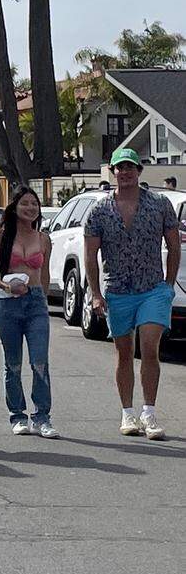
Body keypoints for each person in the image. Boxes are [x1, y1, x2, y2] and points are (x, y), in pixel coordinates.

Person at [86, 148, 180, 440]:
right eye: (119, 168)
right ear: (112, 172)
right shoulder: (100, 210)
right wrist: (96, 293)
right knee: (124, 352)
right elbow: (91, 254)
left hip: (152, 288)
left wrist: (168, 283)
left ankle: (149, 413)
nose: (124, 173)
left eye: (129, 167)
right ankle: (128, 413)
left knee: (150, 348)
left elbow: (174, 245)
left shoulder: (160, 204)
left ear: (139, 171)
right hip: (118, 290)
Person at [0, 187, 58, 438]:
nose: (30, 208)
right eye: (25, 203)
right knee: (12, 363)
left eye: (34, 204)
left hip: (35, 303)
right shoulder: (0, 235)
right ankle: (17, 415)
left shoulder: (43, 238)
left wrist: (43, 299)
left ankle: (42, 417)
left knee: (39, 361)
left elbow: (44, 274)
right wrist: (4, 285)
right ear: (14, 207)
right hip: (7, 303)